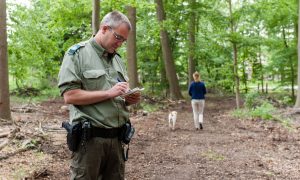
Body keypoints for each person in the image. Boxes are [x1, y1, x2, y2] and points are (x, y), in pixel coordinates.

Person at [58, 11, 141, 180]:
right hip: (90, 143)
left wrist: (128, 98)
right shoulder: (78, 54)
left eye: (123, 40)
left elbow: (118, 94)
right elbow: (70, 96)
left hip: (117, 141)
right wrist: (109, 93)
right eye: (118, 37)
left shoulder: (117, 59)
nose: (120, 43)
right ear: (104, 29)